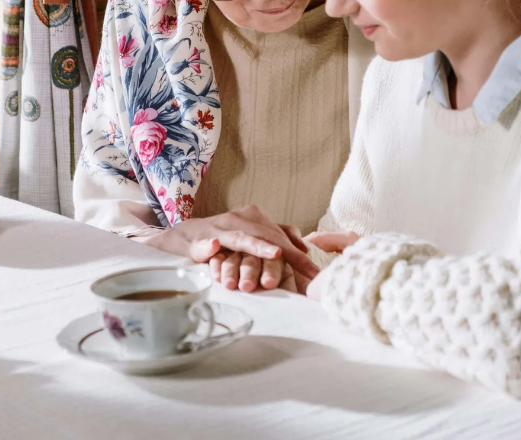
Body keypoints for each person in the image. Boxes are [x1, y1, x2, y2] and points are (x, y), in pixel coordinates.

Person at [299, 0, 521, 398]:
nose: (336, 8)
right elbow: (341, 253)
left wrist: (357, 282)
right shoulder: (391, 77)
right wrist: (280, 259)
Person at [73, 0, 375, 293]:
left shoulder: (392, 20)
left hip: (355, 293)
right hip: (193, 294)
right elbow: (103, 212)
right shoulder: (140, 10)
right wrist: (170, 242)